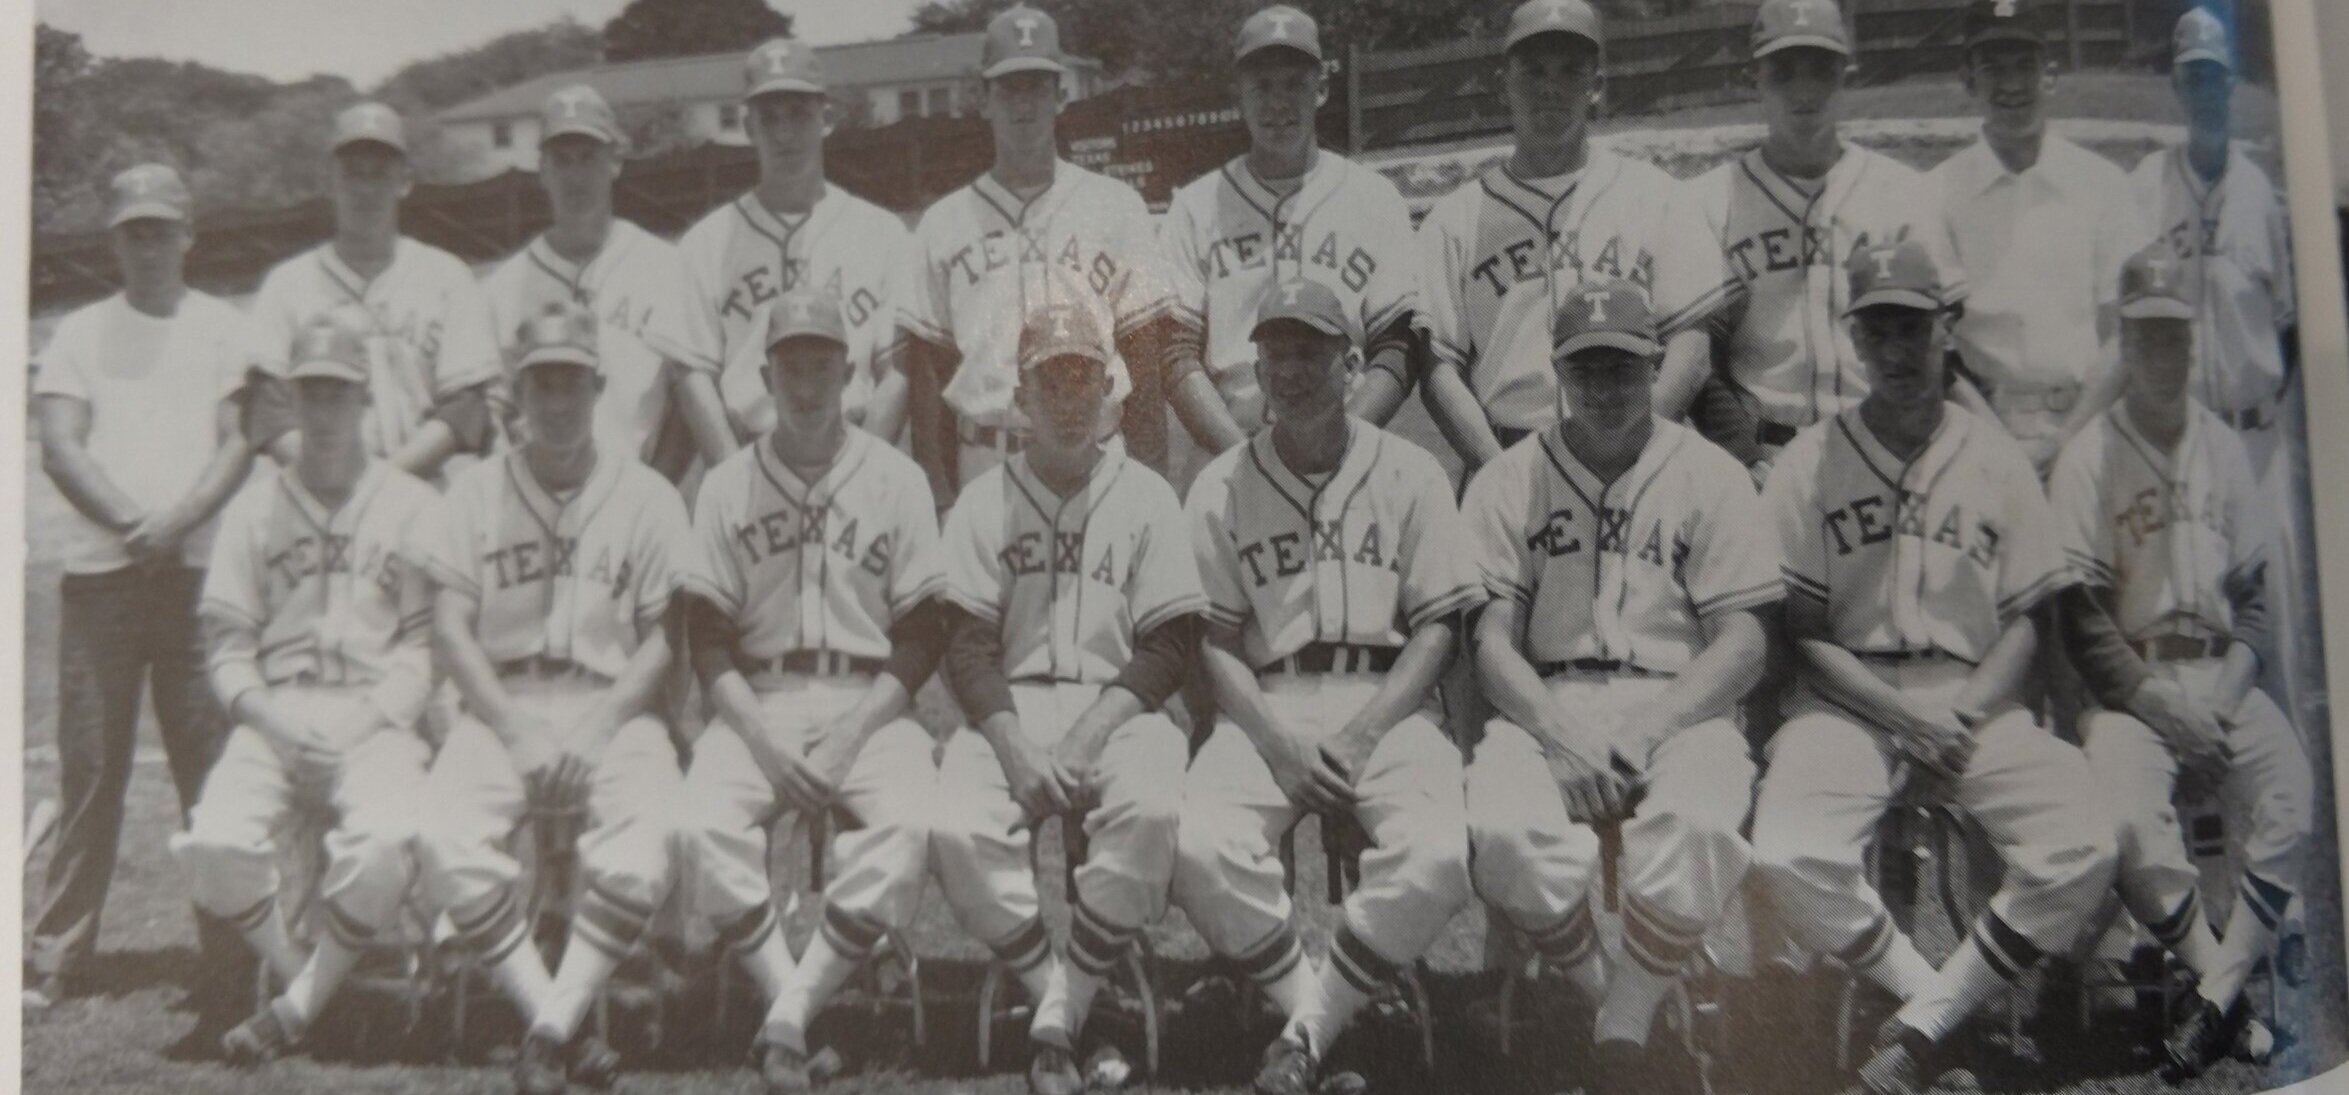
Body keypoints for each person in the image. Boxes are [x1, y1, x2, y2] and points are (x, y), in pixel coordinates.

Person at [1748, 239, 2115, 1095]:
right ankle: (1935, 1007)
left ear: (1946, 331)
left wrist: (1960, 713)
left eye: (1911, 329)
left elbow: (2029, 617)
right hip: (1847, 699)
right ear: (1852, 339)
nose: (1894, 352)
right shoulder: (1810, 458)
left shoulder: (1995, 460)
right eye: (1875, 332)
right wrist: (1898, 714)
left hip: (1973, 699)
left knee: (2084, 841)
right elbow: (1800, 628)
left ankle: (1919, 1028)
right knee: (1784, 852)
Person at [1459, 279, 1772, 1090]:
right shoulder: (1507, 480)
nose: (1605, 388)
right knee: (1501, 829)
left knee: (1701, 821)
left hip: (1680, 702)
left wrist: (1647, 728)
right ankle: (1617, 997)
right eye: (1586, 368)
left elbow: (1741, 641)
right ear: (1557, 370)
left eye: (1623, 368)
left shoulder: (1710, 473)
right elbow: (1489, 640)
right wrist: (1562, 735)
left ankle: (1620, 1027)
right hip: (1546, 703)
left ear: (1657, 364)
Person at [1174, 279, 1481, 1095]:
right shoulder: (1220, 484)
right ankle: (1320, 1012)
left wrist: (1366, 731)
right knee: (1195, 842)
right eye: (1274, 354)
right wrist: (1274, 745)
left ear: (1351, 365)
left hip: (1387, 704)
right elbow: (1212, 639)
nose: (1290, 372)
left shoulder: (1410, 472)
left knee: (1439, 852)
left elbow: (1439, 628)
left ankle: (1303, 1034)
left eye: (1309, 353)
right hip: (1266, 706)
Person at [671, 288, 948, 1094]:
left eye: (822, 362)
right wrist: (760, 740)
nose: (806, 381)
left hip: (869, 704)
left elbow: (922, 632)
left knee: (912, 818)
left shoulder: (894, 478)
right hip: (759, 702)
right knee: (696, 820)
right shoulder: (725, 484)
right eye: (791, 364)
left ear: (850, 370)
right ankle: (796, 997)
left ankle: (786, 1014)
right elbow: (707, 637)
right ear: (764, 373)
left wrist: (853, 732)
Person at [411, 302, 691, 1094]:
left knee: (653, 835)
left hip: (615, 708)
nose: (557, 400)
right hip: (503, 709)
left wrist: (598, 729)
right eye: (541, 384)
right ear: (515, 393)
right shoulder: (472, 493)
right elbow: (448, 628)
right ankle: (555, 1018)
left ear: (599, 386)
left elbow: (667, 637)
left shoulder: (647, 494)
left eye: (571, 380)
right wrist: (514, 728)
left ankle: (546, 1027)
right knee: (441, 835)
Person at [2051, 245, 2312, 1081]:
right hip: (2134, 689)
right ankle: (2220, 984)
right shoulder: (2089, 453)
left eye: (2174, 337)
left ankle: (2213, 994)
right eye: (2145, 337)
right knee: (2126, 810)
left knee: (2293, 788)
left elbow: (2258, 606)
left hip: (2221, 679)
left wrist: (2224, 705)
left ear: (2191, 342)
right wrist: (2162, 707)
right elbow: (2082, 621)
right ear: (2119, 345)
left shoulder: (2226, 449)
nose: (2162, 354)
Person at [930, 302, 1203, 1095]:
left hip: (1117, 709)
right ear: (1020, 395)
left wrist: (1084, 739)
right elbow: (966, 643)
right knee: (951, 821)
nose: (1070, 396)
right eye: (1052, 378)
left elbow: (1167, 646)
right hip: (1011, 709)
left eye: (1086, 375)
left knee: (1151, 807)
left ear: (1112, 392)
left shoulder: (1148, 495)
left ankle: (1055, 1020)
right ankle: (1077, 999)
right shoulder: (983, 503)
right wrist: (1014, 745)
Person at [169, 308, 442, 1063]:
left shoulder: (413, 503)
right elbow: (226, 654)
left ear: (364, 399)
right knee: (213, 844)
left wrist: (357, 728)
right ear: (290, 398)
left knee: (387, 840)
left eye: (339, 393)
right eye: (310, 393)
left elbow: (424, 651)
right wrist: (284, 730)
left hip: (376, 714)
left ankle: (297, 1008)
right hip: (277, 714)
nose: (324, 409)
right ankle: (312, 988)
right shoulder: (253, 508)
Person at [25, 163, 256, 1010]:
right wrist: (134, 525)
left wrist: (176, 524)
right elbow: (60, 443)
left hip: (198, 575)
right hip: (100, 581)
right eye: (133, 229)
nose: (149, 243)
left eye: (163, 227)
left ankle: (233, 954)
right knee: (91, 767)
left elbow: (240, 440)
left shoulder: (226, 329)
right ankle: (58, 955)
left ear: (190, 235)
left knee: (213, 767)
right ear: (112, 238)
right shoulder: (82, 332)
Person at [1416, 0, 1724, 475]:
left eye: (1569, 71)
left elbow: (1692, 347)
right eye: (1533, 71)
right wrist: (1498, 474)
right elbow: (1438, 369)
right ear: (1504, 86)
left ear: (1596, 86)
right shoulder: (1454, 219)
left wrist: (1630, 449)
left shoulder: (1656, 196)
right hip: (1511, 453)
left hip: (1641, 459)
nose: (1550, 88)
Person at [2128, 6, 2319, 742]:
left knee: (2276, 620)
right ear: (2174, 84)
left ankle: (2292, 792)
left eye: (2214, 74)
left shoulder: (2260, 200)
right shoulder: (2147, 185)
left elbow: (2289, 325)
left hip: (2251, 438)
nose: (2202, 88)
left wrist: (2263, 407)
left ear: (2230, 82)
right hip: (2173, 440)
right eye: (2190, 76)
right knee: (2176, 612)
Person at [1684, 0, 1969, 481]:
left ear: (1847, 76)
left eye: (1821, 71)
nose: (1804, 90)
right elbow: (1699, 357)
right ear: (1753, 78)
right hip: (1768, 454)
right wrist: (1744, 457)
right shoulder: (1710, 202)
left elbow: (1942, 342)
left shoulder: (1904, 193)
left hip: (1892, 448)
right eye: (1783, 72)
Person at [901, 4, 1175, 498]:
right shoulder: (942, 224)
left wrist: (1153, 489)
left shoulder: (1117, 207)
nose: (1023, 104)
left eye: (1037, 86)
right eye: (1008, 88)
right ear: (982, 99)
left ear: (1062, 94)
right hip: (987, 459)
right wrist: (939, 500)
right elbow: (928, 377)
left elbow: (1144, 365)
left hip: (1097, 456)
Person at [1160, 4, 1420, 479]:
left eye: (1294, 84)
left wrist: (1339, 447)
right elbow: (1177, 356)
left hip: (1349, 458)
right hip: (1230, 460)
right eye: (1261, 85)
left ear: (1321, 89)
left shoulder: (1374, 199)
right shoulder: (1194, 208)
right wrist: (1247, 462)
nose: (1278, 102)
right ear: (1238, 93)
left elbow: (1397, 347)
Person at [653, 39, 913, 468]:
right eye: (769, 118)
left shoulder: (881, 233)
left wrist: (866, 473)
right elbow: (692, 378)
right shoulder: (706, 243)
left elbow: (897, 372)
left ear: (825, 119)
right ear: (748, 127)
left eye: (798, 113)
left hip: (853, 449)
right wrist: (730, 479)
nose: (785, 133)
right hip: (749, 455)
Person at [1930, 0, 2144, 476]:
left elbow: (2126, 333)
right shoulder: (1938, 192)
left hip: (2090, 425)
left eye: (2023, 66)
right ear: (1968, 81)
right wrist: (2004, 450)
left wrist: (2066, 440)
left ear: (2049, 74)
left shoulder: (2103, 183)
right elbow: (1935, 346)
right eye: (1992, 68)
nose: (2010, 85)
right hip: (1978, 430)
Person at [241, 101, 500, 482]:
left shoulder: (447, 276)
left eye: (379, 173)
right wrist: (328, 482)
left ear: (405, 180)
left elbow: (467, 408)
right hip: (316, 501)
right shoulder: (286, 284)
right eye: (352, 173)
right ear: (329, 180)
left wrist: (383, 486)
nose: (365, 188)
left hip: (423, 494)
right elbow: (268, 408)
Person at [483, 86, 701, 479]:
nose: (575, 175)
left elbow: (688, 401)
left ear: (615, 161)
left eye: (588, 158)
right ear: (542, 169)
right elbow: (492, 412)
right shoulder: (502, 289)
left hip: (637, 484)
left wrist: (655, 489)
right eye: (562, 160)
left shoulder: (665, 268)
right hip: (535, 497)